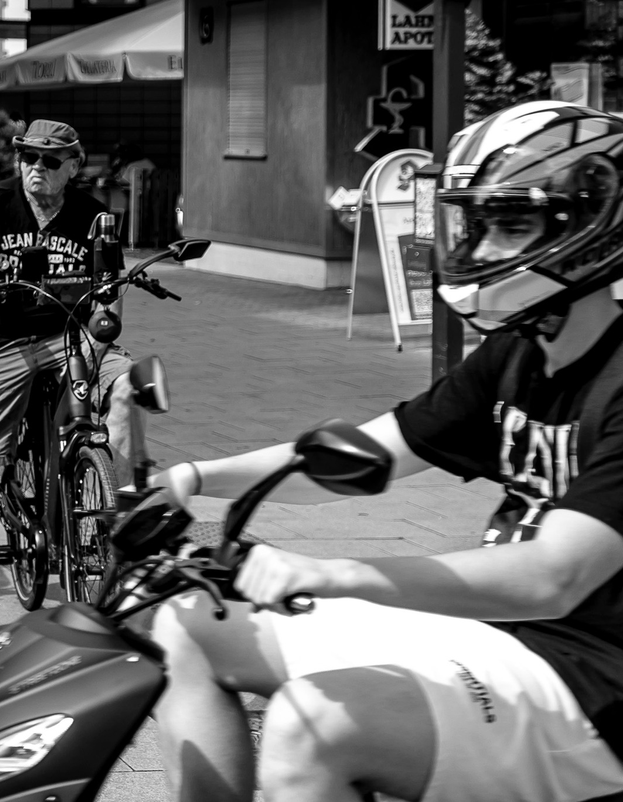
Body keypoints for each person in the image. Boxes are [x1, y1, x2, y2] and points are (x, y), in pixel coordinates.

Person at [146, 101, 623, 802]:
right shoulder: (516, 355)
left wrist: (337, 571)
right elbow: (370, 452)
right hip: (495, 637)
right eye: (479, 223)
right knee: (187, 626)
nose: (486, 248)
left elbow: (554, 577)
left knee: (308, 726)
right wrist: (192, 477)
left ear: (589, 226)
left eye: (512, 224)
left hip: (589, 684)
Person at [0, 119, 138, 643]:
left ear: (73, 167)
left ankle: (119, 537)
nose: (35, 168)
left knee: (129, 387)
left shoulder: (94, 216)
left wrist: (93, 343)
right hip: (3, 342)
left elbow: (111, 295)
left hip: (74, 339)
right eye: (28, 158)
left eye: (48, 160)